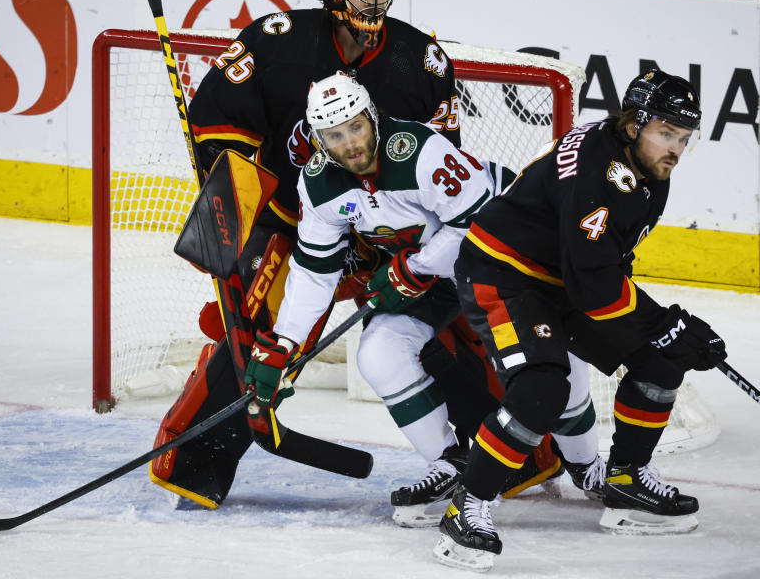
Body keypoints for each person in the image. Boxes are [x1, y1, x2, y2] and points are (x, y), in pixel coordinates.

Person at [149, 0, 563, 511]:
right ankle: (193, 460)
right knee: (253, 331)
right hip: (294, 220)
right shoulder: (277, 42)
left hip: (387, 225)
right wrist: (238, 216)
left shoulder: (420, 61)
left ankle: (519, 452)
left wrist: (416, 266)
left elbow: (442, 178)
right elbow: (219, 129)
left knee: (444, 316)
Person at [244, 71, 601, 526]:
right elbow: (314, 272)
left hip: (506, 254)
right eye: (335, 135)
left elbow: (480, 226)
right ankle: (448, 464)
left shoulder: (420, 152)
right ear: (318, 140)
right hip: (434, 273)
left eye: (356, 126)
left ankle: (589, 467)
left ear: (372, 116)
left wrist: (415, 266)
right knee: (378, 352)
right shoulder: (318, 184)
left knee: (555, 354)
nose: (350, 143)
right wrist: (285, 343)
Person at [433, 70, 728, 572]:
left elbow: (606, 266)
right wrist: (664, 320)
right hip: (502, 276)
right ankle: (468, 506)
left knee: (662, 358)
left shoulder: (646, 169)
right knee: (541, 390)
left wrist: (665, 332)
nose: (675, 148)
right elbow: (594, 285)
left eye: (683, 137)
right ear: (634, 125)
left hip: (561, 279)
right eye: (666, 133)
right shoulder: (597, 173)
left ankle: (627, 478)